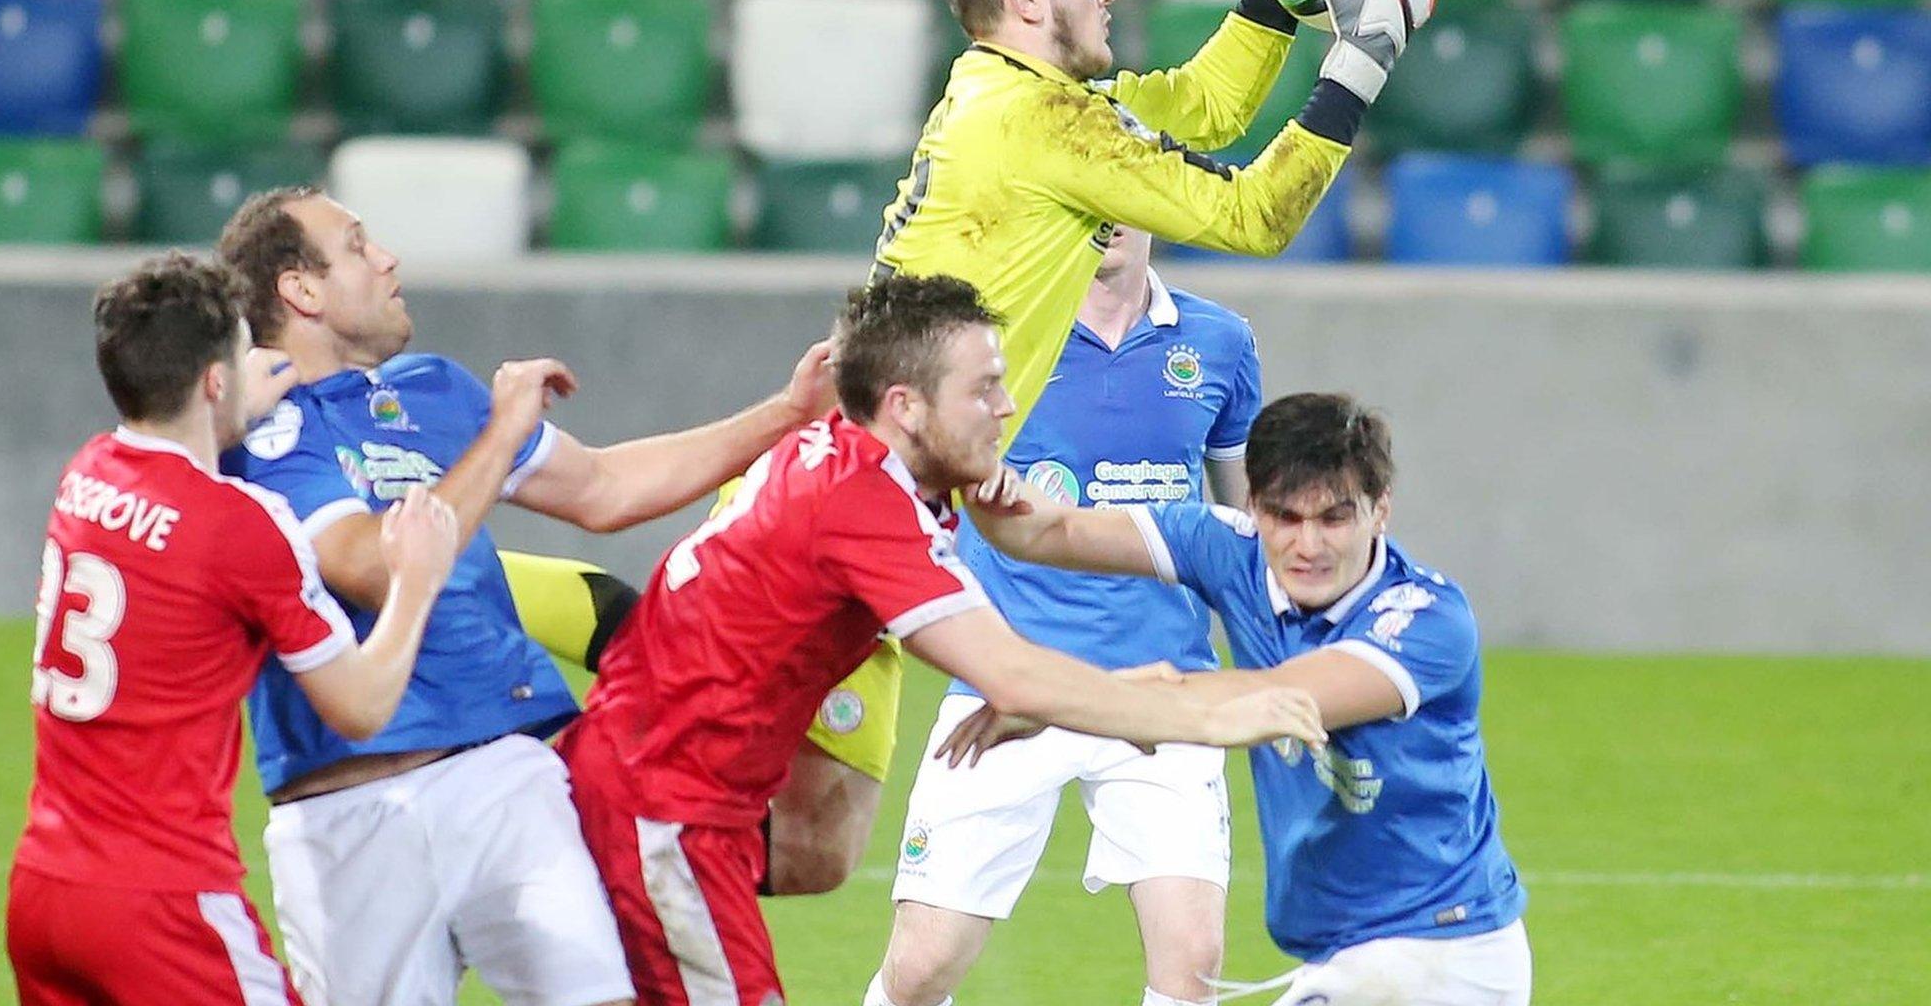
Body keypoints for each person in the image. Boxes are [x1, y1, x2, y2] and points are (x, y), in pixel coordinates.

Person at [556, 273, 1328, 1006]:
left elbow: (1003, 661)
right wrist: (1209, 715)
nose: (1008, 404)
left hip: (670, 798)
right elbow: (1011, 676)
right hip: (660, 806)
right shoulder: (864, 508)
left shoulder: (852, 458)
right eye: (984, 388)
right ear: (907, 407)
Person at [216, 187, 838, 1006]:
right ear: (301, 290)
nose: (388, 259)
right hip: (347, 810)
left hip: (505, 776)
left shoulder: (434, 390)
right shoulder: (261, 433)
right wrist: (501, 436)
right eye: (359, 246)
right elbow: (367, 564)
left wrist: (786, 414)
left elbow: (606, 488)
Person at [947, 392, 1533, 1006]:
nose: (1308, 546)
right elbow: (1053, 527)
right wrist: (972, 471)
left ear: (1380, 510)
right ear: (1252, 506)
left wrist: (1048, 700)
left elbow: (1257, 702)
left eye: (1334, 518)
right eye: (1285, 517)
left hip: (1442, 954)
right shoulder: (1229, 550)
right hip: (1354, 951)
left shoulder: (1423, 620)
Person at [6, 254, 463, 1006]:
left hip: (45, 893)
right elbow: (361, 706)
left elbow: (167, 467)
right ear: (216, 379)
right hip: (161, 903)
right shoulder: (244, 527)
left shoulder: (85, 475)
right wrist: (415, 580)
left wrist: (213, 405)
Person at [874, 0, 1434, 439]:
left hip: (890, 470)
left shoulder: (1012, 97)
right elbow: (1256, 216)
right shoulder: (1043, 124)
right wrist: (1364, 60)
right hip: (888, 486)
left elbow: (1209, 102)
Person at [869, 225, 1261, 1006]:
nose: (1111, 217)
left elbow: (1242, 522)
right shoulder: (997, 339)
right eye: (1093, 194)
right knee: (920, 968)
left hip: (1162, 691)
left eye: (1127, 194)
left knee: (1194, 960)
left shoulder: (1221, 342)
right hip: (1006, 685)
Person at [501, 549, 898, 898]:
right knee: (804, 844)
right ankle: (464, 573)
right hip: (835, 523)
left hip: (888, 544)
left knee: (813, 850)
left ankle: (465, 571)